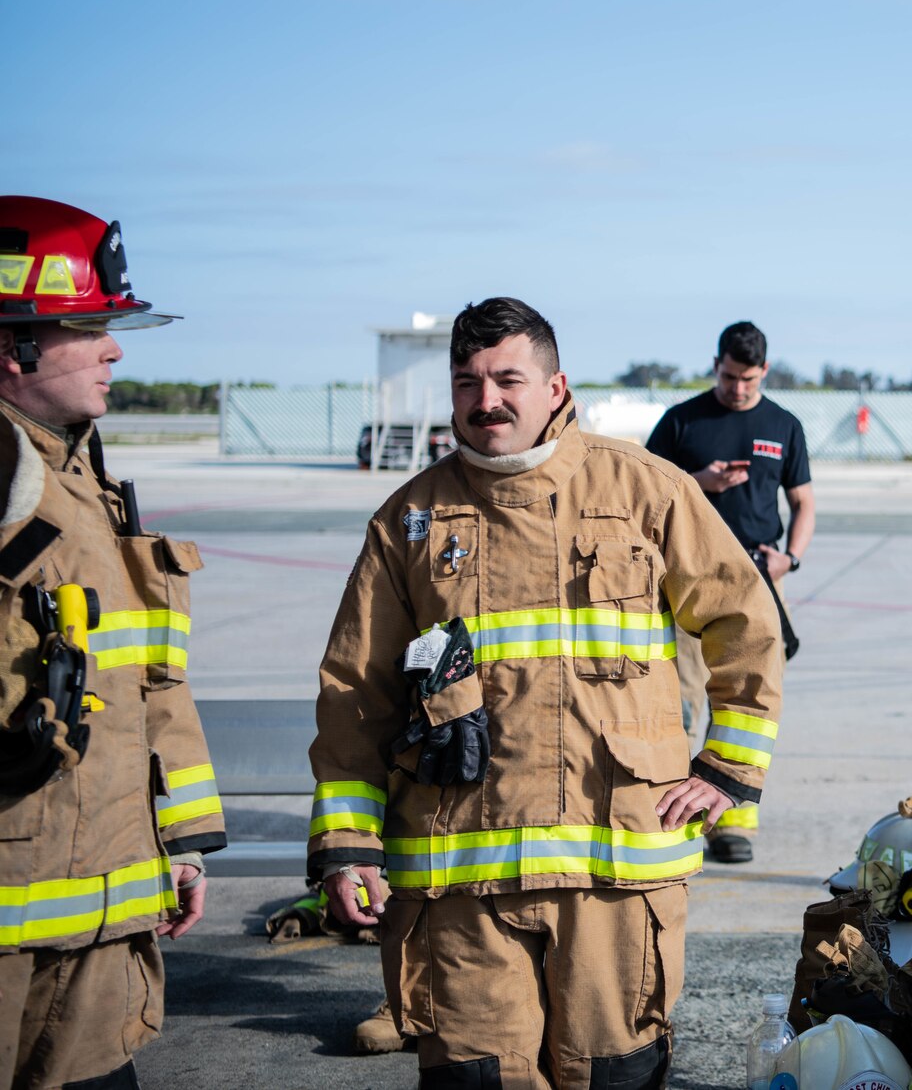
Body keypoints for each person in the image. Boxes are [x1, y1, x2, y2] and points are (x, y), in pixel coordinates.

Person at [308, 297, 783, 1088]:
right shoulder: (411, 521)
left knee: (616, 1075)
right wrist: (348, 846)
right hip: (462, 887)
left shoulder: (643, 489)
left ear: (557, 385)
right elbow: (357, 690)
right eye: (467, 381)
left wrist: (727, 766)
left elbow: (746, 621)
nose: (486, 399)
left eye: (507, 378)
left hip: (615, 876)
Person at [0, 197, 224, 1089]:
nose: (115, 348)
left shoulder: (79, 472)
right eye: (88, 326)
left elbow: (145, 679)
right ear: (11, 343)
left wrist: (179, 838)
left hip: (99, 904)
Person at [644, 321, 812, 865]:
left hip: (761, 582)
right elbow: (644, 496)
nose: (738, 388)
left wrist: (792, 557)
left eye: (749, 379)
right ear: (715, 363)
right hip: (687, 586)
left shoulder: (783, 425)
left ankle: (731, 819)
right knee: (683, 701)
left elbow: (803, 502)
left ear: (765, 371)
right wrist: (701, 482)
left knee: (744, 703)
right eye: (730, 376)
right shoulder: (682, 421)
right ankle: (669, 811)